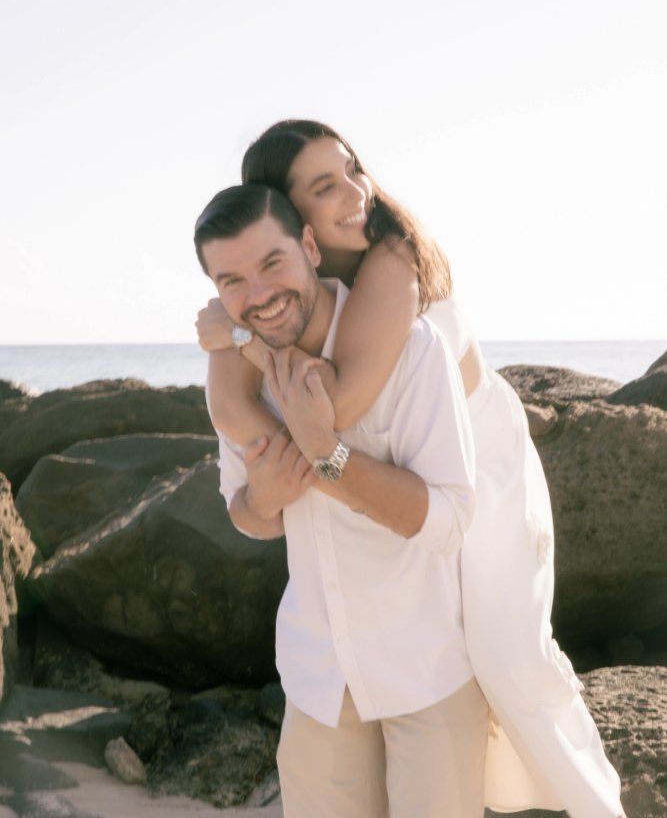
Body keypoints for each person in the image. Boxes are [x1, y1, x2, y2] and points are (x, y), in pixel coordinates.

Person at [197, 120, 625, 818]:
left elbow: (329, 413)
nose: (356, 192)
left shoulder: (389, 259)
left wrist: (240, 337)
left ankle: (591, 805)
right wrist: (260, 477)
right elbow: (239, 427)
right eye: (323, 186)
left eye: (351, 170)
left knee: (510, 662)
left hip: (483, 466)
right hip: (386, 497)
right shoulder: (281, 290)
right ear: (287, 215)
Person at [194, 183, 489, 818]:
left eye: (272, 263)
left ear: (308, 245)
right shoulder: (241, 377)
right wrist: (264, 498)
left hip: (427, 671)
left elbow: (449, 521)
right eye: (232, 282)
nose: (259, 296)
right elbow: (243, 514)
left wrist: (325, 453)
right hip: (318, 676)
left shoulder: (412, 351)